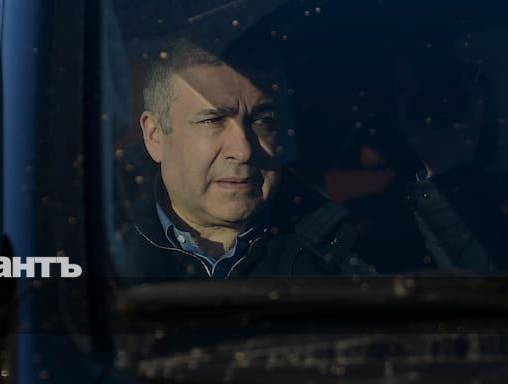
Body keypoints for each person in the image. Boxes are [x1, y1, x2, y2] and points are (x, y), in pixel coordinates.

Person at [127, 37, 370, 279]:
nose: (244, 151)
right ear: (155, 136)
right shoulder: (110, 251)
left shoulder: (339, 258)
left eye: (263, 121)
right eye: (212, 120)